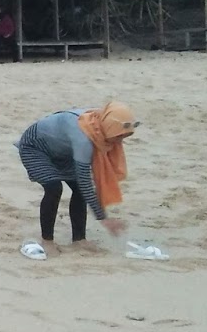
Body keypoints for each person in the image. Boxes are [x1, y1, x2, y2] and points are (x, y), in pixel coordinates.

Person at [15, 102, 138, 255]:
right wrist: (104, 219)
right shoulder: (83, 139)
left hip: (64, 151)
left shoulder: (98, 121)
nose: (120, 142)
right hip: (35, 147)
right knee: (54, 188)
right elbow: (84, 180)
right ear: (110, 127)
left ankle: (79, 239)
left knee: (79, 190)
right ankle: (47, 241)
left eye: (125, 136)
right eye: (119, 136)